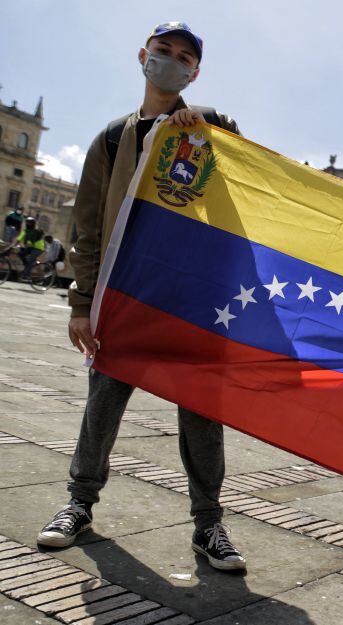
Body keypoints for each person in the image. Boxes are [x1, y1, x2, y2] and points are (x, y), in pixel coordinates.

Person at [36, 21, 247, 572]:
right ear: (143, 56)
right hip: (127, 293)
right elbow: (87, 226)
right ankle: (79, 504)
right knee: (101, 406)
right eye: (163, 52)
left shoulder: (211, 127)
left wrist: (211, 124)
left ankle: (209, 526)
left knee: (201, 413)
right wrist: (82, 303)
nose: (171, 62)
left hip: (193, 297)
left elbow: (248, 177)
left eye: (184, 57)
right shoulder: (112, 138)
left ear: (194, 73)